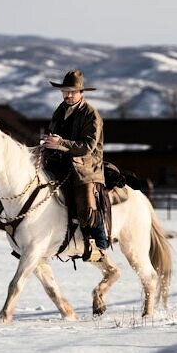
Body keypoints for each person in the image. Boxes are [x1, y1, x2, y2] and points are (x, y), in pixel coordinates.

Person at [42, 69, 107, 262]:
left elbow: (87, 147)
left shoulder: (91, 114)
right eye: (65, 91)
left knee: (86, 206)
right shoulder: (59, 111)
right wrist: (47, 144)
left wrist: (60, 143)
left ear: (81, 93)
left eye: (72, 91)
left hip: (85, 168)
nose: (68, 95)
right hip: (58, 164)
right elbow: (54, 136)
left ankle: (99, 243)